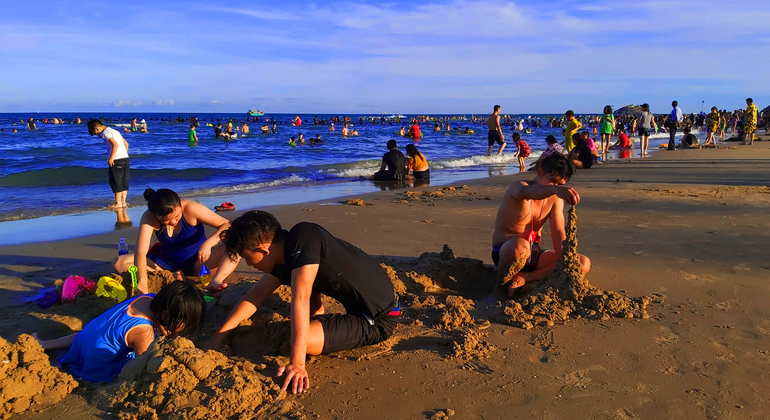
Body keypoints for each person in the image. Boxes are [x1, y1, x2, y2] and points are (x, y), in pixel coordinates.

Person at [204, 211, 399, 394]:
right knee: (300, 313)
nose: (248, 264)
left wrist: (297, 364)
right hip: (360, 306)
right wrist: (217, 338)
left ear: (263, 249)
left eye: (247, 257)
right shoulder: (283, 258)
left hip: (379, 316)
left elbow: (300, 297)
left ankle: (320, 318)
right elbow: (254, 296)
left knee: (301, 341)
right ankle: (319, 311)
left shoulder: (304, 237)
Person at [34, 281, 205, 383]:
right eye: (184, 323)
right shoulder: (144, 331)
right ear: (167, 316)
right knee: (136, 359)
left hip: (85, 339)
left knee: (100, 333)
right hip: (96, 365)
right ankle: (67, 367)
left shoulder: (149, 298)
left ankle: (47, 344)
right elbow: (140, 367)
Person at [491, 154, 590, 296]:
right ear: (539, 172)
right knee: (520, 246)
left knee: (582, 262)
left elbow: (558, 232)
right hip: (507, 251)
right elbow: (527, 192)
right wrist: (555, 190)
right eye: (552, 181)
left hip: (534, 254)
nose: (555, 187)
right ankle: (499, 288)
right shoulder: (519, 187)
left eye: (560, 185)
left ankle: (526, 277)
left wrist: (565, 257)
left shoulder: (555, 199)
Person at [113, 188, 236, 294]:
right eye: (166, 220)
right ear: (157, 216)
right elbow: (141, 251)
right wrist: (142, 281)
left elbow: (228, 225)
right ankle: (172, 276)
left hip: (200, 261)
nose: (173, 222)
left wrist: (208, 244)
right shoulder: (149, 217)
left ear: (179, 205)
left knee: (237, 243)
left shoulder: (190, 208)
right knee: (119, 262)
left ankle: (216, 282)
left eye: (176, 217)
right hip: (166, 265)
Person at [88, 120, 130, 209]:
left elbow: (115, 144)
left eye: (97, 134)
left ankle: (118, 203)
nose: (99, 136)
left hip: (117, 160)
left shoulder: (106, 133)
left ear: (97, 129)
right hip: (125, 158)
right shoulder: (115, 131)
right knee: (124, 180)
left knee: (116, 181)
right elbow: (126, 144)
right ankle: (123, 202)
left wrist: (111, 158)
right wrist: (123, 154)